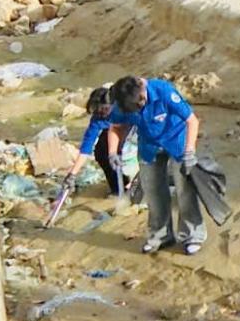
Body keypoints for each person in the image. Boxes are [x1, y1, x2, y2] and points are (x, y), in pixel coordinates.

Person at [107, 75, 207, 255]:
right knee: (153, 192)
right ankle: (160, 236)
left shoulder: (163, 91)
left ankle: (192, 236)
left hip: (177, 142)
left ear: (143, 96)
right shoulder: (122, 100)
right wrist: (113, 152)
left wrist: (190, 152)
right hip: (149, 146)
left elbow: (192, 120)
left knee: (185, 189)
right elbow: (116, 127)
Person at [63, 86, 134, 196]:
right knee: (101, 153)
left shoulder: (127, 106)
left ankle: (135, 183)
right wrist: (72, 175)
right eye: (99, 111)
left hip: (134, 131)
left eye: (105, 110)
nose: (102, 114)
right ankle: (118, 188)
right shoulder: (98, 119)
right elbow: (86, 148)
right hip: (113, 134)